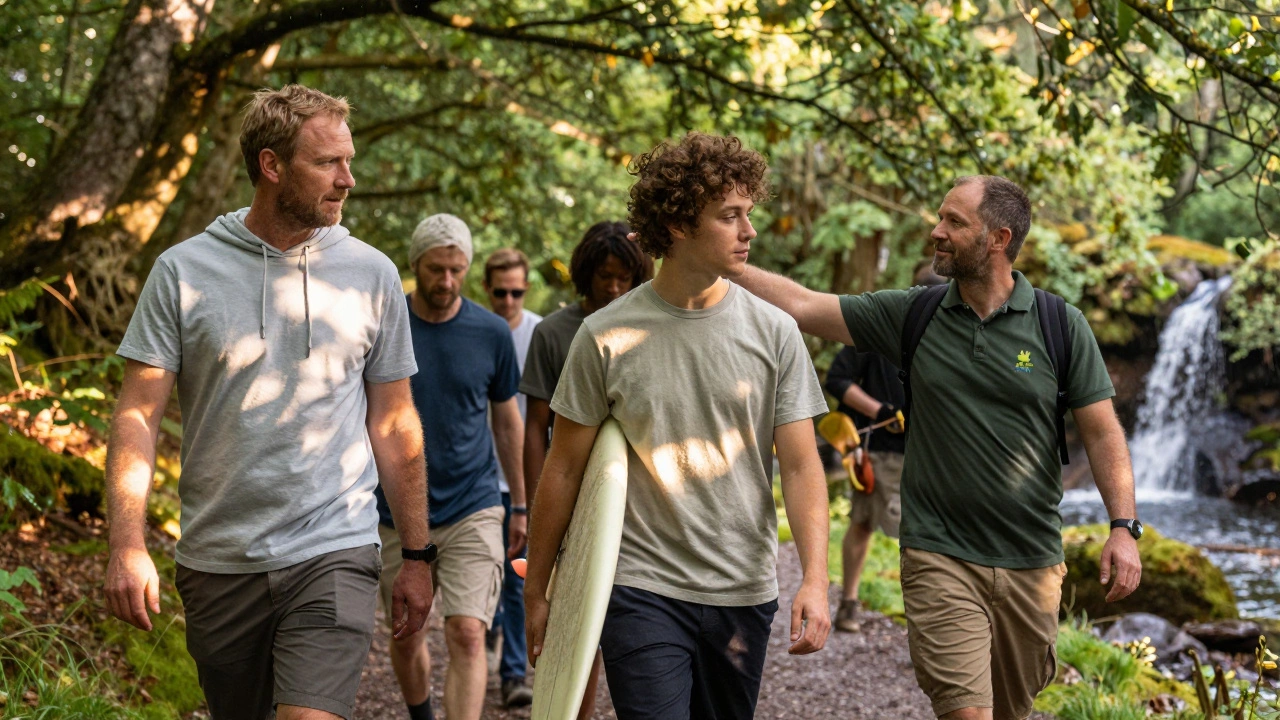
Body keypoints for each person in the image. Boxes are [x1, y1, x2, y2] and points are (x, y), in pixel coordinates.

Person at [735, 175, 1143, 720]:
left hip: (1031, 560)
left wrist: (1124, 527)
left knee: (1009, 711)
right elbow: (805, 306)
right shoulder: (914, 314)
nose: (937, 231)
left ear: (998, 238)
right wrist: (725, 263)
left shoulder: (1059, 325)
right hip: (938, 552)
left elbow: (1102, 431)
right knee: (965, 712)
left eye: (954, 221)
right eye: (941, 218)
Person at [104, 84, 433, 720]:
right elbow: (138, 415)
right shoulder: (183, 271)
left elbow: (394, 421)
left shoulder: (374, 275)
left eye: (349, 159)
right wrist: (126, 542)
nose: (348, 180)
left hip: (334, 545)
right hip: (219, 560)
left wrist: (417, 556)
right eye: (328, 163)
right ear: (272, 165)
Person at [525, 132, 833, 720]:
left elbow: (799, 464)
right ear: (678, 224)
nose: (750, 232)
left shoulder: (774, 333)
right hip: (640, 586)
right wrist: (538, 590)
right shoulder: (605, 335)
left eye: (749, 214)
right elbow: (563, 469)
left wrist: (815, 580)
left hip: (742, 587)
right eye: (730, 216)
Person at [373, 214, 526, 720]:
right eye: (436, 270)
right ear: (415, 265)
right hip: (394, 506)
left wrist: (520, 505)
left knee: (466, 630)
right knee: (408, 630)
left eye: (457, 270)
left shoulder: (490, 332)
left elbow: (507, 425)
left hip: (473, 502)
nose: (446, 282)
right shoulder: (385, 324)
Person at [518, 220, 653, 716]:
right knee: (574, 626)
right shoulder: (554, 334)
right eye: (604, 278)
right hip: (572, 501)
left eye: (623, 278)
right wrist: (536, 505)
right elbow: (537, 428)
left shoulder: (650, 328)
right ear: (585, 274)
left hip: (637, 506)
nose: (614, 288)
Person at [826, 263, 945, 633]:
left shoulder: (949, 336)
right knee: (896, 533)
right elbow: (837, 380)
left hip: (921, 452)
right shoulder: (881, 328)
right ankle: (860, 606)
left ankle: (856, 607)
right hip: (878, 451)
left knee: (887, 529)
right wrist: (883, 411)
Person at [481, 248, 541, 707]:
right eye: (500, 292)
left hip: (525, 477)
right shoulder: (478, 332)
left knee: (519, 580)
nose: (508, 300)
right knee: (491, 576)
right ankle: (492, 628)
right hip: (481, 480)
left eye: (516, 291)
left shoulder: (540, 334)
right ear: (487, 289)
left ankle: (514, 674)